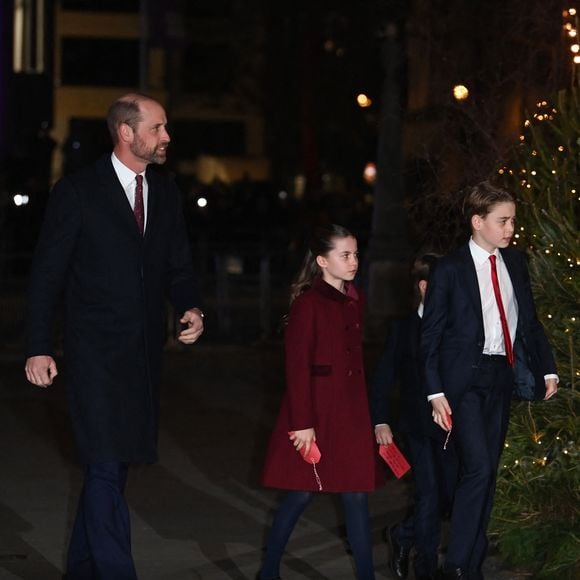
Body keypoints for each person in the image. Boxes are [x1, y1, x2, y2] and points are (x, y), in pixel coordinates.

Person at [24, 93, 204, 579]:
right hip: (93, 357)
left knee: (114, 469)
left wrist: (189, 305)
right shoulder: (78, 191)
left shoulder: (165, 192)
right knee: (104, 464)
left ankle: (82, 569)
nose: (167, 137)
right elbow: (47, 275)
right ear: (127, 132)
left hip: (143, 357)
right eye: (158, 128)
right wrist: (39, 345)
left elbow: (178, 265)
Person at [421, 182, 558, 580]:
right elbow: (430, 336)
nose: (510, 228)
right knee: (478, 468)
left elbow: (528, 321)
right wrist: (434, 391)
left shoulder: (515, 262)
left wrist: (547, 367)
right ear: (477, 221)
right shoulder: (449, 269)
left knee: (488, 472)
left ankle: (470, 563)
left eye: (513, 220)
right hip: (462, 382)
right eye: (503, 220)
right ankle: (458, 566)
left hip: (501, 376)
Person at [258, 224, 383, 580]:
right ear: (322, 261)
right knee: (300, 494)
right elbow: (297, 369)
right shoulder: (308, 304)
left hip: (351, 415)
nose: (353, 261)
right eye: (345, 255)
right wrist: (302, 423)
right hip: (315, 414)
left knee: (357, 495)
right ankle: (268, 571)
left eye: (356, 253)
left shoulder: (354, 300)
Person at [371, 254, 458, 580]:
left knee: (448, 496)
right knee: (429, 494)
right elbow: (383, 377)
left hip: (451, 428)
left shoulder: (456, 326)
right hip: (417, 428)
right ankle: (425, 569)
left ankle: (402, 535)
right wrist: (381, 421)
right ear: (424, 287)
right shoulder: (403, 328)